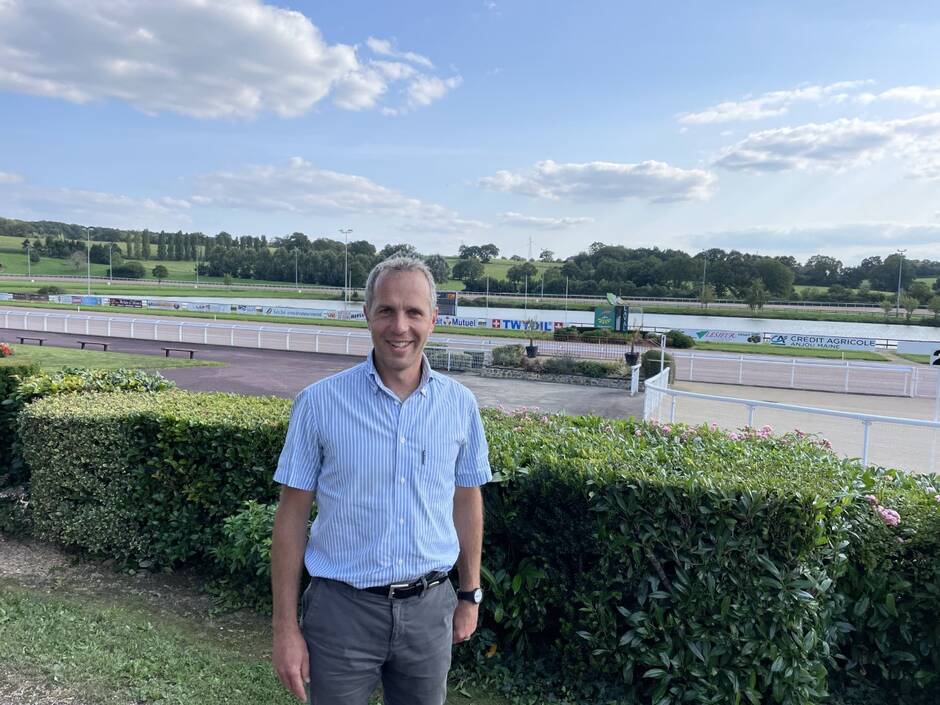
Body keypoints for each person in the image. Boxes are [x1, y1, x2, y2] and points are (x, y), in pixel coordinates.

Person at [271, 256, 491, 705]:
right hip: (341, 613)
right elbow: (291, 519)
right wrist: (285, 627)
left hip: (431, 611)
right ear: (367, 314)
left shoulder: (460, 405)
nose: (400, 326)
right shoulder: (319, 404)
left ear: (434, 318)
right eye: (386, 310)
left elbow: (467, 501)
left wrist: (469, 594)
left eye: (413, 312)